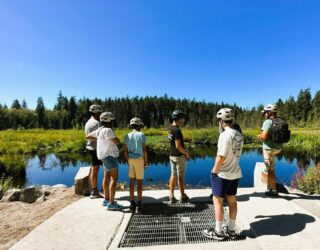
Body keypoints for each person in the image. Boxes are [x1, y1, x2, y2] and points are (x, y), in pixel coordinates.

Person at [202, 108, 244, 240]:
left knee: (217, 201)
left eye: (218, 120)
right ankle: (232, 230)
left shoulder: (224, 135)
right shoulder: (239, 134)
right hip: (235, 173)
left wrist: (214, 171)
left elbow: (221, 156)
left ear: (221, 121)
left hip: (223, 174)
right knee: (232, 201)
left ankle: (218, 232)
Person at [87, 112, 123, 211]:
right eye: (112, 120)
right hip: (110, 156)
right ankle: (111, 203)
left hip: (103, 157)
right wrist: (117, 140)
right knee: (114, 179)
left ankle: (106, 199)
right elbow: (117, 141)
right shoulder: (108, 130)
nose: (113, 122)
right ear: (110, 120)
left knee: (106, 177)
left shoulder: (100, 130)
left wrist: (99, 138)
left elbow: (88, 136)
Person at [124, 117, 148, 213]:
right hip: (139, 160)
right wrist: (146, 162)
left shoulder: (127, 135)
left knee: (131, 182)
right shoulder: (141, 135)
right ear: (139, 126)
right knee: (139, 183)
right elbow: (144, 150)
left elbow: (125, 151)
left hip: (131, 160)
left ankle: (131, 203)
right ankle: (139, 204)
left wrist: (128, 160)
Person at [258, 104, 283, 197]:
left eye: (265, 112)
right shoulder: (280, 120)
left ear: (269, 112)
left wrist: (259, 136)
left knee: (271, 170)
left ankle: (273, 190)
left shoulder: (267, 122)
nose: (264, 114)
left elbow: (263, 137)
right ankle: (269, 167)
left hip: (269, 149)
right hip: (278, 148)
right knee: (271, 164)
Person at [168, 110, 189, 203]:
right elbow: (178, 146)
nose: (183, 120)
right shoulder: (177, 130)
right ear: (179, 119)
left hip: (171, 155)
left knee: (173, 175)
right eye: (182, 118)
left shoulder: (170, 127)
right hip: (179, 156)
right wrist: (186, 153)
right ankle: (183, 196)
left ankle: (171, 196)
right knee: (180, 177)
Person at [84, 104, 103, 199]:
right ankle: (95, 191)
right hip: (96, 148)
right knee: (98, 169)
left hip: (90, 147)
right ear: (97, 113)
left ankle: (95, 189)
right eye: (99, 113)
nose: (100, 115)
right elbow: (100, 136)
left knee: (94, 169)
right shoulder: (97, 123)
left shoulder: (88, 122)